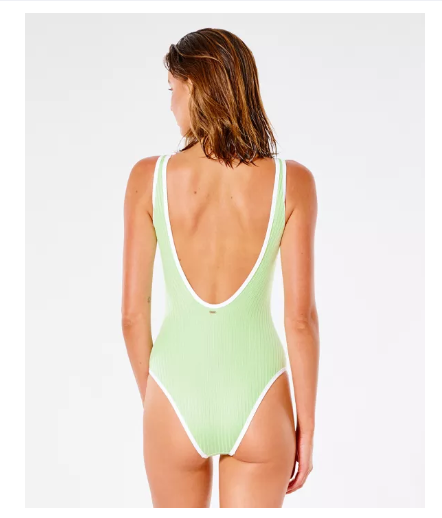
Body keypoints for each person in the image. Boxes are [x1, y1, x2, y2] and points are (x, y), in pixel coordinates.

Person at [121, 28, 319, 508]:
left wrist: (160, 401)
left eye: (172, 90)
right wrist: (306, 430)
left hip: (174, 391)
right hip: (260, 397)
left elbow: (131, 316)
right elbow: (300, 320)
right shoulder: (292, 182)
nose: (171, 105)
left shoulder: (148, 178)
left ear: (194, 86)